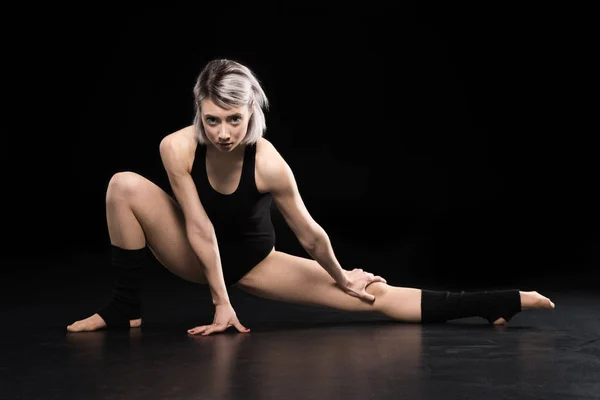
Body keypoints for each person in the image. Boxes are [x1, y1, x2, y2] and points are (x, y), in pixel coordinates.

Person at [67, 58, 555, 335]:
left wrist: (342, 277)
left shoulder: (270, 162)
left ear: (251, 110)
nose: (222, 133)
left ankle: (498, 301)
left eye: (234, 119)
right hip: (193, 253)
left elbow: (309, 233)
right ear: (199, 110)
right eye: (211, 119)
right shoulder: (177, 146)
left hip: (256, 261)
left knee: (374, 298)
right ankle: (124, 306)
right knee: (123, 184)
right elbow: (198, 227)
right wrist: (220, 303)